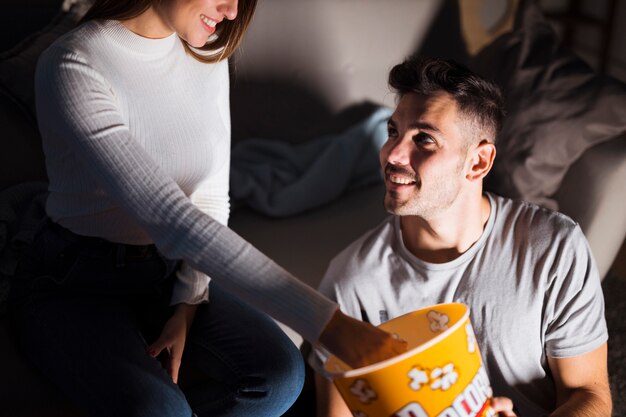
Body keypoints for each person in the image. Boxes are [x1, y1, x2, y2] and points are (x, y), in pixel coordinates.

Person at [7, 1, 406, 416]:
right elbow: (172, 218)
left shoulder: (206, 54)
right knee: (161, 410)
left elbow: (209, 196)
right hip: (75, 281)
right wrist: (331, 326)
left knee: (281, 377)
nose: (232, 11)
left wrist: (189, 301)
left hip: (163, 272)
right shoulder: (74, 64)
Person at [314, 56, 612, 417]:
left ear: (478, 162)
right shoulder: (352, 280)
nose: (392, 154)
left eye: (423, 139)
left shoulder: (554, 247)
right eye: (393, 132)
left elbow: (589, 394)